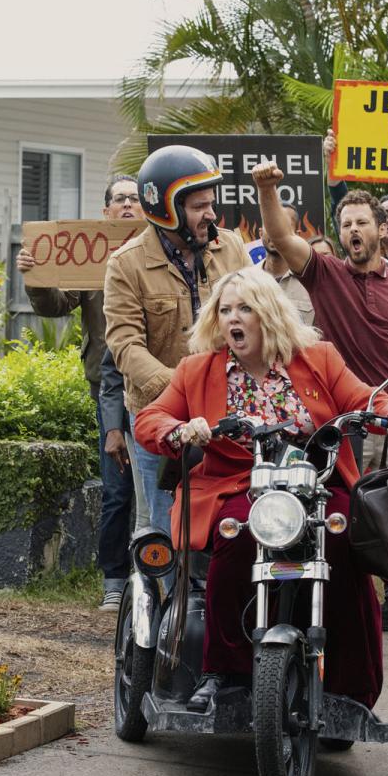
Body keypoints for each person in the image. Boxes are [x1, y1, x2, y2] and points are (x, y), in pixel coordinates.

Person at [133, 268, 388, 711]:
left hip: (316, 485)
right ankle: (223, 675)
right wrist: (180, 429)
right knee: (235, 538)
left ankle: (350, 687)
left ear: (268, 314)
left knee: (346, 542)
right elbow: (149, 420)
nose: (234, 318)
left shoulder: (318, 358)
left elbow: (363, 399)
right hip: (240, 488)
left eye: (245, 308)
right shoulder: (197, 370)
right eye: (225, 309)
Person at [250, 162, 388, 663]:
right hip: (339, 425)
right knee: (340, 522)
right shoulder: (324, 273)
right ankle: (345, 616)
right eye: (346, 225)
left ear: (380, 229)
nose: (354, 231)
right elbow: (279, 233)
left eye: (362, 222)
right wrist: (267, 189)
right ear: (338, 234)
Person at [104, 145, 252, 541]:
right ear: (165, 208)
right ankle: (171, 601)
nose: (211, 214)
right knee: (166, 525)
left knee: (235, 515)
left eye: (211, 203)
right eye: (199, 206)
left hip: (230, 408)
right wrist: (179, 389)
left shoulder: (232, 247)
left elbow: (260, 315)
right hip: (159, 413)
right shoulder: (125, 264)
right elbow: (124, 343)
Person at [17, 174, 143, 611]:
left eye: (134, 198)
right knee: (117, 486)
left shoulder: (160, 252)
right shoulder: (91, 257)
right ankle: (114, 577)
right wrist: (36, 278)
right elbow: (55, 305)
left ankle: (154, 571)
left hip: (160, 384)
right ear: (106, 211)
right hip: (108, 387)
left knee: (158, 485)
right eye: (119, 199)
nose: (127, 205)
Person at [258, 202, 314, 325]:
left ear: (298, 235)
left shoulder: (312, 280)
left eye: (284, 226)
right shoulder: (247, 279)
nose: (275, 232)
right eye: (270, 225)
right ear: (261, 232)